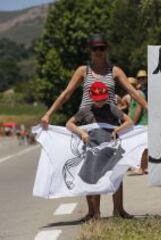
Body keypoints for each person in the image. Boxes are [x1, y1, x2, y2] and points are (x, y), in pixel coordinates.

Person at [40, 33, 145, 218]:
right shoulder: (83, 71)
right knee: (90, 168)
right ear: (90, 50)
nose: (98, 52)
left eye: (102, 48)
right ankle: (92, 212)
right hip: (88, 124)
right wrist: (49, 114)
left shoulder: (115, 71)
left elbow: (133, 92)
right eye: (95, 48)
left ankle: (118, 210)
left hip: (112, 123)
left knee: (117, 167)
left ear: (106, 49)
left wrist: (150, 109)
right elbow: (66, 93)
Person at [66, 81, 133, 220]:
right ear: (90, 97)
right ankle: (94, 213)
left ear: (106, 96)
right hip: (92, 149)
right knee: (92, 179)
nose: (100, 102)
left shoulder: (112, 108)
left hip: (111, 148)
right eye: (97, 100)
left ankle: (119, 210)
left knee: (116, 178)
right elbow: (69, 123)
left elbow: (129, 121)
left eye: (102, 99)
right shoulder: (85, 110)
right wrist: (81, 132)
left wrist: (118, 129)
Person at [130, 70, 148, 174]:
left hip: (140, 123)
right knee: (142, 146)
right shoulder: (138, 93)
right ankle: (143, 167)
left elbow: (138, 109)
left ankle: (141, 167)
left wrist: (133, 122)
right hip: (141, 122)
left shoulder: (138, 93)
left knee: (140, 146)